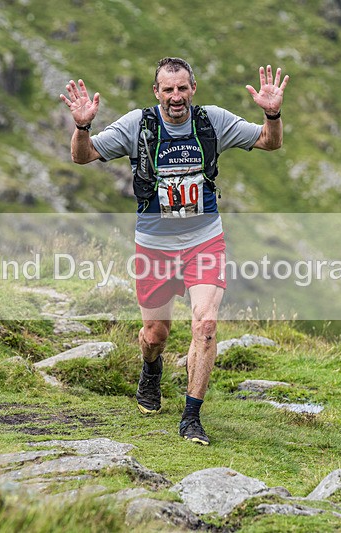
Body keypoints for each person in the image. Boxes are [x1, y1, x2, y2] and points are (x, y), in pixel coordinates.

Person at [60, 57, 288, 446]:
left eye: (182, 88)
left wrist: (273, 114)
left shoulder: (212, 121)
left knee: (206, 324)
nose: (176, 96)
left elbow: (270, 142)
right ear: (157, 93)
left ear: (193, 89)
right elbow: (82, 156)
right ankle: (151, 371)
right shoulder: (139, 125)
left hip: (204, 240)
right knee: (155, 334)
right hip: (154, 246)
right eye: (168, 90)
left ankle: (191, 417)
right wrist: (83, 126)